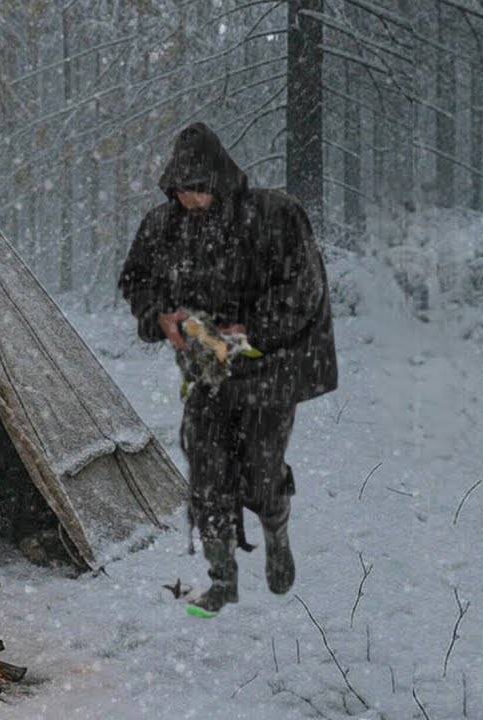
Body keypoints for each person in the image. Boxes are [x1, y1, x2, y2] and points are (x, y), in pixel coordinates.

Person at [118, 123, 337, 617]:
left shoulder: (274, 215)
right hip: (206, 375)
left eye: (198, 188)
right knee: (208, 473)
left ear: (219, 179)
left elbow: (305, 289)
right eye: (181, 190)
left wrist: (253, 329)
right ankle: (222, 577)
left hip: (268, 372)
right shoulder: (162, 226)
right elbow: (136, 279)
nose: (190, 199)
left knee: (260, 472)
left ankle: (276, 531)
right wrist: (160, 315)